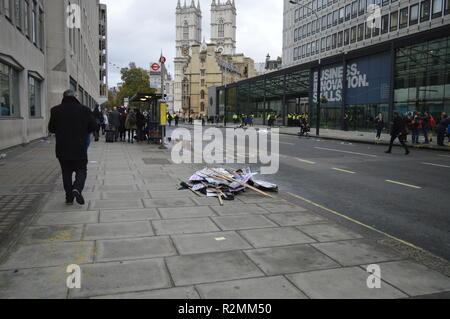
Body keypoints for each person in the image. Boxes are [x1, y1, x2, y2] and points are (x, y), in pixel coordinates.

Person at [48, 90, 98, 205]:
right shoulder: (84, 110)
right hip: (79, 146)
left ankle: (69, 197)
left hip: (62, 147)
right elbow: (94, 126)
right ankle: (77, 188)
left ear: (63, 97)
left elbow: (51, 128)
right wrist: (83, 130)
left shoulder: (55, 110)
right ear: (75, 97)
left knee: (66, 172)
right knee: (81, 170)